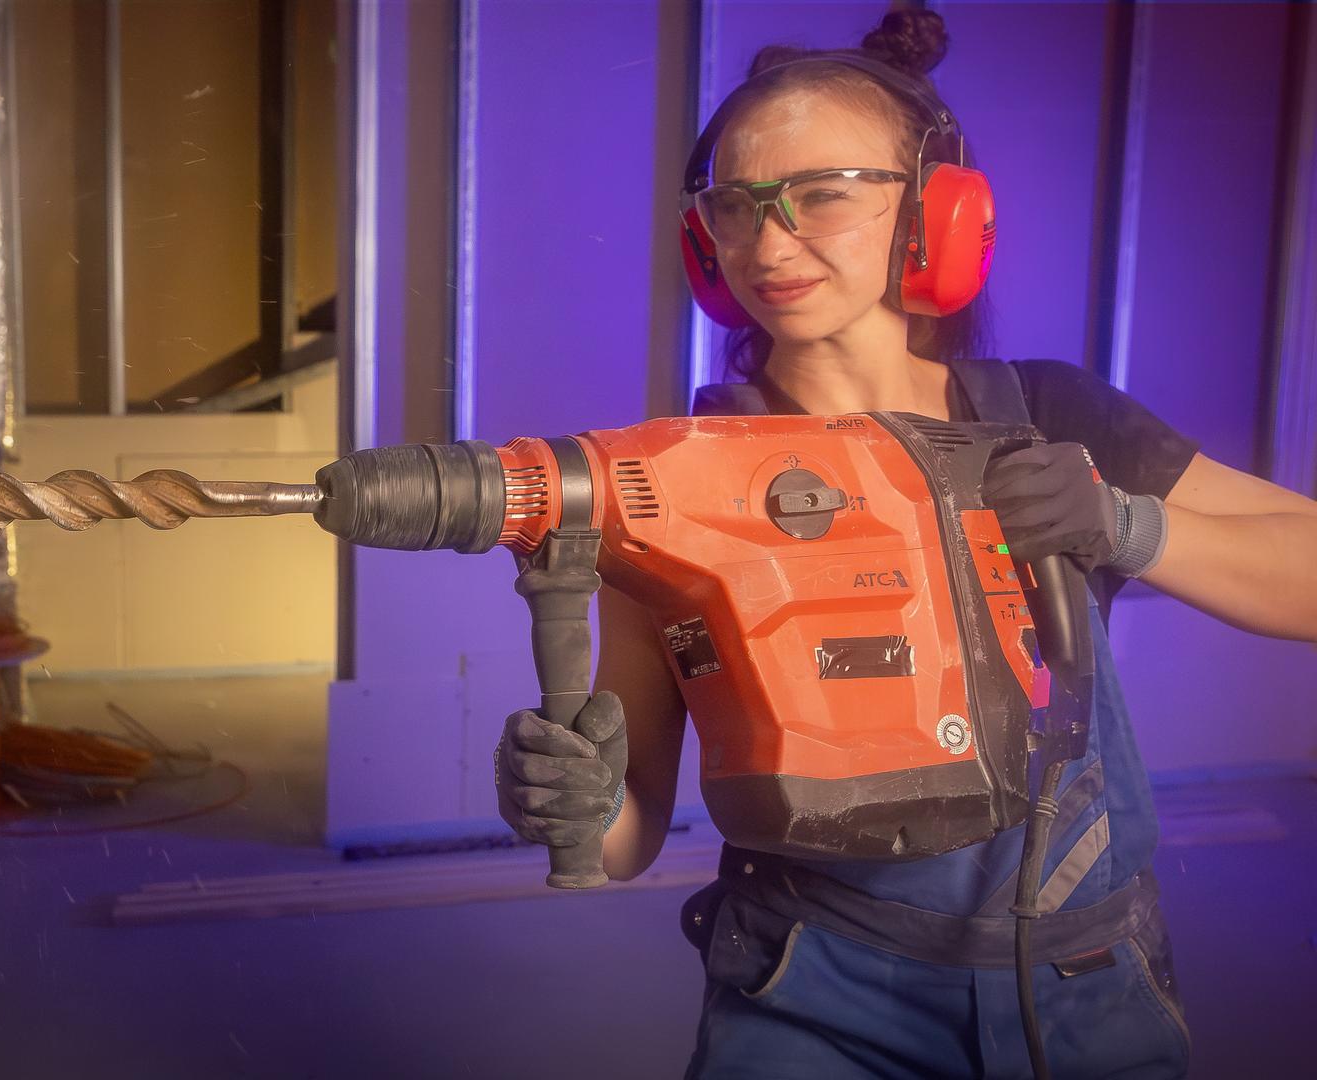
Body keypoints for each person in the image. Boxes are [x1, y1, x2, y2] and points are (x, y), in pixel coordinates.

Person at [491, 9, 1317, 1078]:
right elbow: (630, 831)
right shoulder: (664, 485)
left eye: (823, 194)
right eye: (737, 207)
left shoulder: (1053, 419)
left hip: (1088, 990)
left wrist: (1125, 524)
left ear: (935, 212)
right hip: (812, 995)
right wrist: (577, 803)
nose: (769, 243)